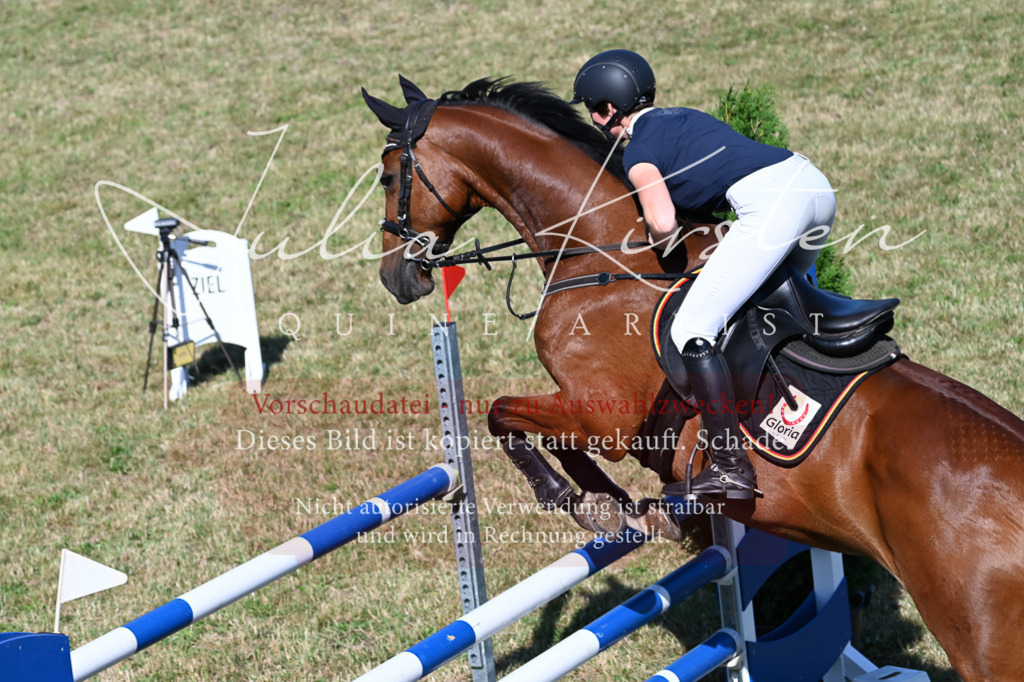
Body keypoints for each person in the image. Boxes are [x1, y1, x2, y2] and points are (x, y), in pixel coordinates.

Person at [570, 49, 836, 500]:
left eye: (594, 109)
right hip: (814, 187)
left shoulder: (639, 150)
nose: (595, 119)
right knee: (779, 304)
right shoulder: (681, 117)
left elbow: (663, 223)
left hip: (775, 205)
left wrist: (653, 244)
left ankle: (732, 467)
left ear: (610, 109)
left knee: (693, 328)